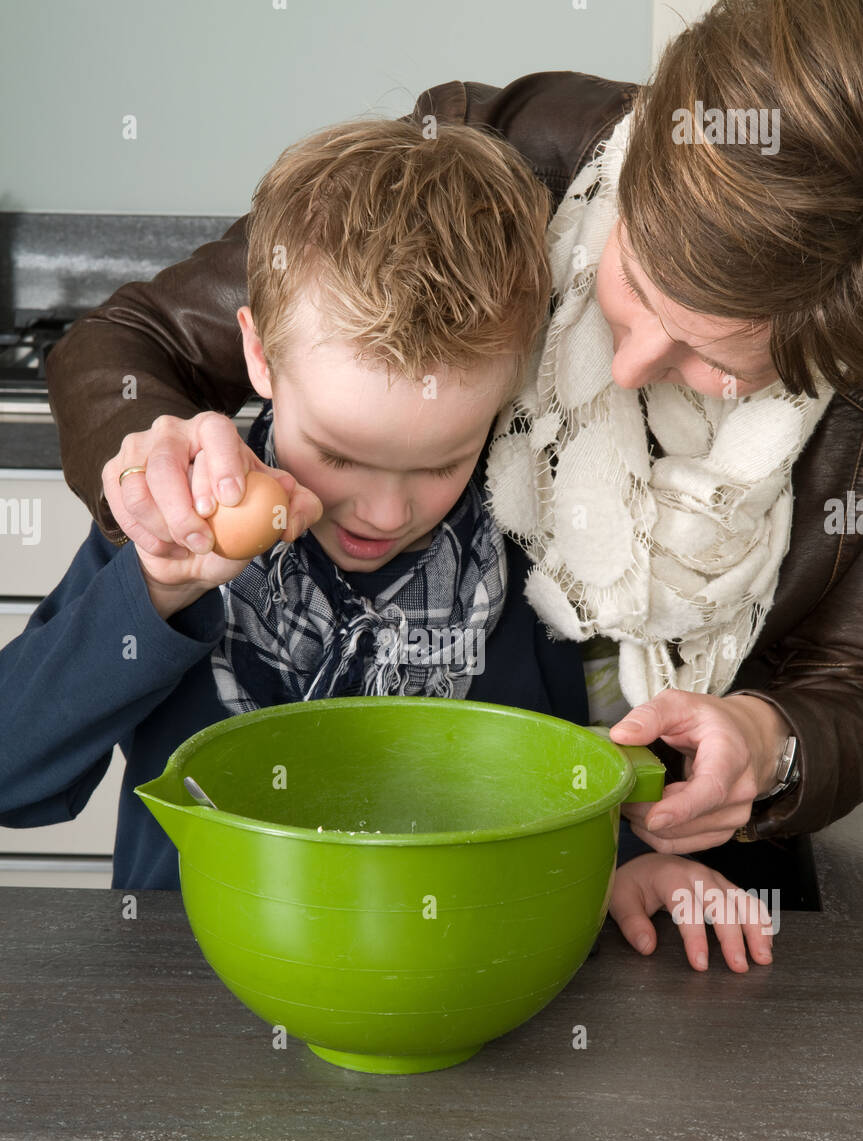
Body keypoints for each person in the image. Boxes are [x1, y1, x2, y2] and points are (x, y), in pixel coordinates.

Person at [47, 0, 863, 890]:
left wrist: (774, 746)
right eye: (634, 280)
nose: (627, 369)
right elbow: (137, 340)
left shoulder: (515, 590)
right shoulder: (487, 165)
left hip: (678, 891)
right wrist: (155, 494)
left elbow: (579, 758)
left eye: (711, 357)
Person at [1, 114, 773, 973]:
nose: (382, 510)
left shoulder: (534, 541)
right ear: (258, 353)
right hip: (198, 995)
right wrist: (155, 591)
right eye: (335, 453)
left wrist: (630, 869)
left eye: (442, 461)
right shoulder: (178, 520)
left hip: (469, 985)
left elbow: (560, 776)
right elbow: (13, 775)